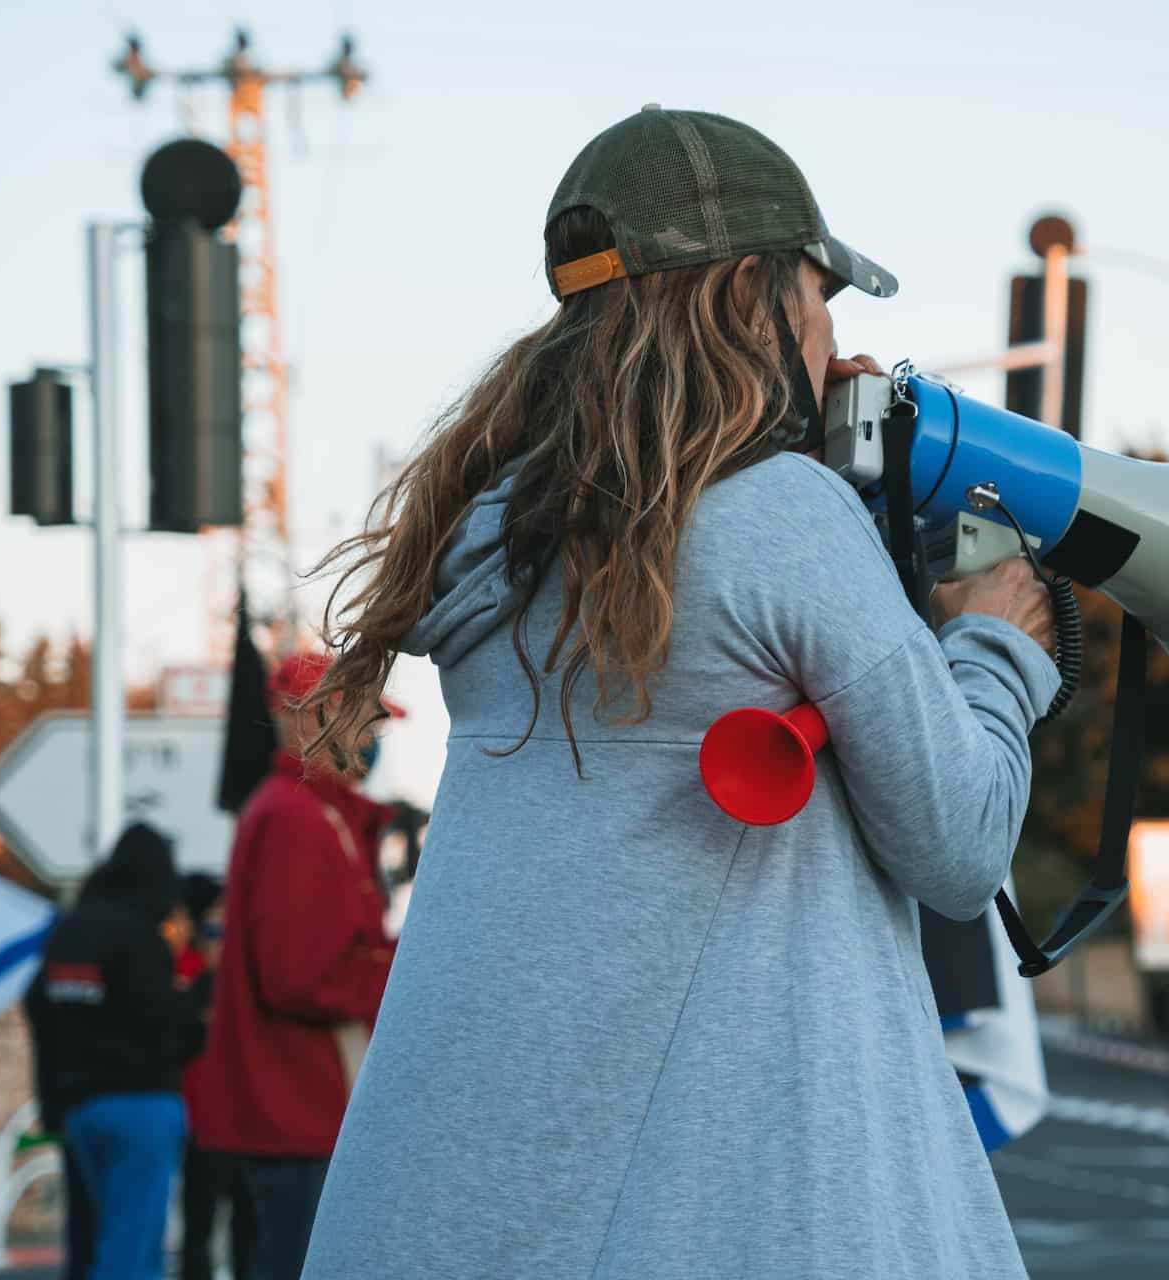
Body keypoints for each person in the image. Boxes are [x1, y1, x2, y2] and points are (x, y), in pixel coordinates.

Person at [296, 106, 1057, 1278]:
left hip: (455, 1197)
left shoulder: (492, 526)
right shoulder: (778, 519)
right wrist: (998, 641)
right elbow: (959, 842)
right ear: (757, 297)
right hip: (719, 1207)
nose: (830, 338)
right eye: (818, 299)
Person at [202, 653, 397, 1280]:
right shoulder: (297, 818)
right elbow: (299, 976)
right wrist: (407, 973)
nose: (373, 740)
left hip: (301, 1106)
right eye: (369, 720)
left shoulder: (307, 813)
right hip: (303, 1105)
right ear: (323, 715)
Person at [24, 822, 208, 1280]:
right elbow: (161, 1020)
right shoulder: (140, 937)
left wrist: (54, 1102)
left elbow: (39, 1008)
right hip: (140, 1105)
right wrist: (199, 1003)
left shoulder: (69, 932)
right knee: (133, 1248)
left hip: (79, 1109)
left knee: (92, 1241)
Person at [175, 872, 256, 1280]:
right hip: (204, 1124)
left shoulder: (249, 981)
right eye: (212, 929)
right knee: (199, 1234)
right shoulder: (186, 976)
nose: (221, 938)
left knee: (249, 1234)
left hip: (247, 1125)